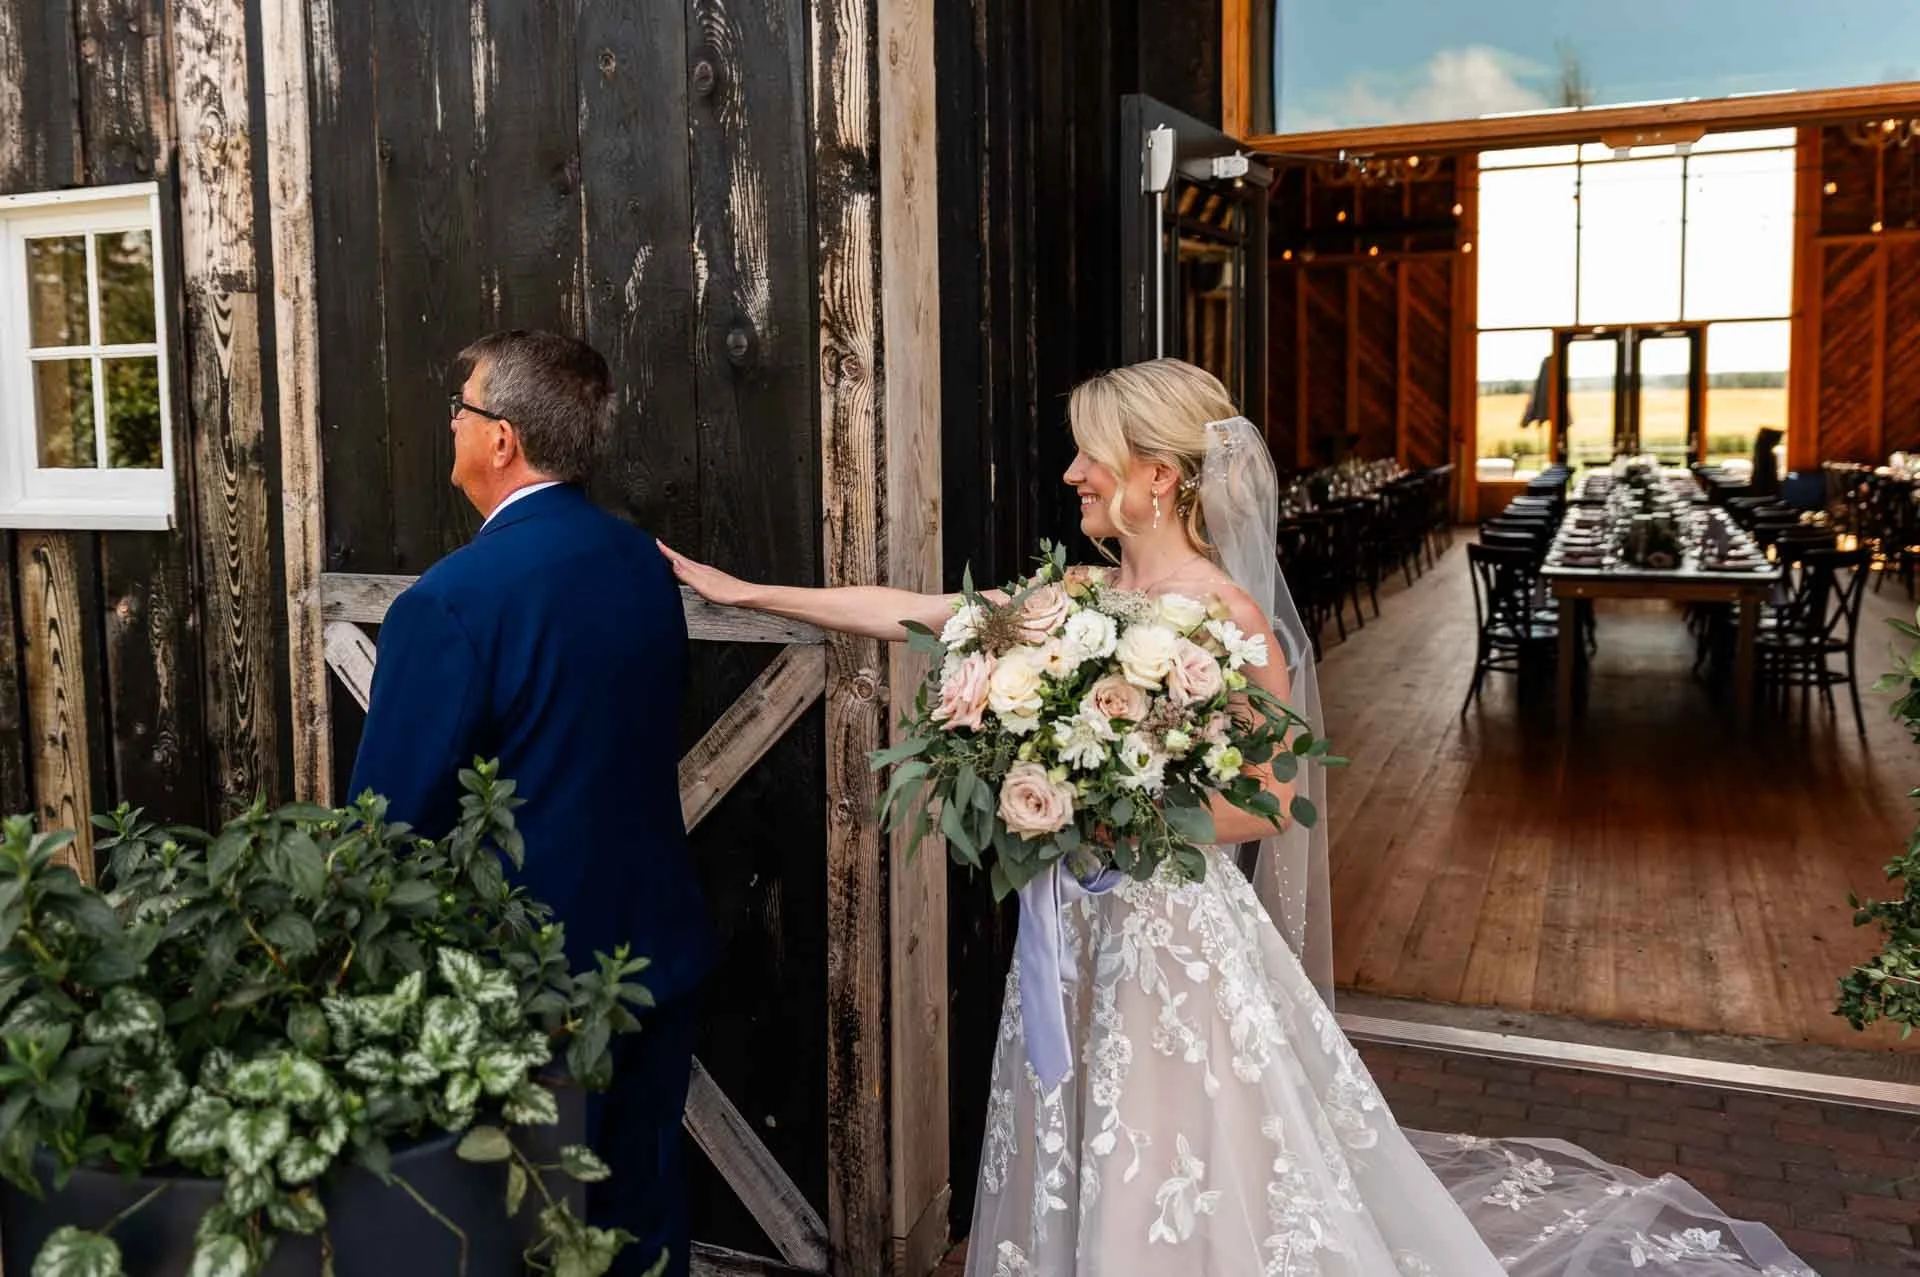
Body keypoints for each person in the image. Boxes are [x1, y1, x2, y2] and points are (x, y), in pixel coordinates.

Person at [662, 358, 1813, 1276]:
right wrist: (739, 588)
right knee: (1083, 1136)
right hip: (1078, 930)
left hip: (1169, 937)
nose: (1070, 472)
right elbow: (919, 612)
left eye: (1091, 455)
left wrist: (1110, 810)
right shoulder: (1085, 595)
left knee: (1173, 1145)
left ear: (1158, 475)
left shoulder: (1225, 619)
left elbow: (1266, 801)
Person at [349, 330, 713, 1277]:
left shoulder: (449, 601)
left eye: (461, 408)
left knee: (515, 1234)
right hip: (655, 952)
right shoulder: (640, 563)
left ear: (501, 438)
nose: (452, 424)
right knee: (639, 1218)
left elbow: (385, 819)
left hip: (526, 983)